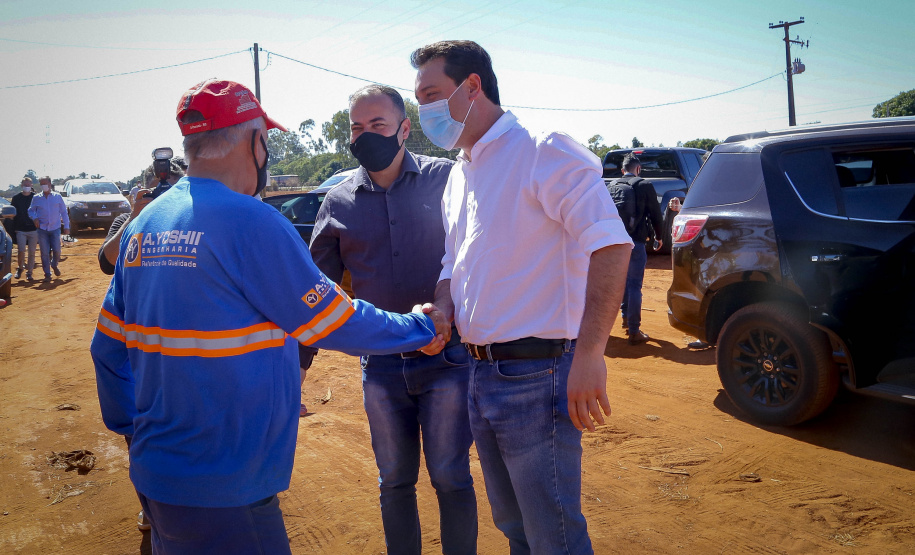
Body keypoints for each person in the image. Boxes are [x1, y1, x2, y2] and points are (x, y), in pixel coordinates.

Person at [90, 78, 448, 554]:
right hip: (229, 483)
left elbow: (107, 349)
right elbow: (333, 320)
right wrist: (421, 326)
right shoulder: (253, 222)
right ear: (256, 142)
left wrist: (137, 435)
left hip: (159, 477)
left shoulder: (145, 226)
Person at [411, 41, 633, 554]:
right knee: (514, 528)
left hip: (539, 375)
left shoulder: (541, 149)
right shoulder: (460, 175)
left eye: (431, 94)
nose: (422, 110)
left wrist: (591, 355)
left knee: (552, 535)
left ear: (473, 87)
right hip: (479, 373)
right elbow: (453, 263)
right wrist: (444, 308)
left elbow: (611, 245)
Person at [310, 84, 477, 555]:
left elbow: (481, 250)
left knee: (450, 476)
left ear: (405, 129)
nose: (365, 136)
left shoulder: (449, 180)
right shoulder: (337, 203)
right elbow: (312, 292)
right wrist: (294, 364)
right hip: (381, 367)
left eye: (377, 125)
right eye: (356, 128)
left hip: (448, 359)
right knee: (395, 480)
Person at [98, 158, 184, 275]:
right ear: (144, 191)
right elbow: (107, 264)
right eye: (157, 191)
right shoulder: (126, 220)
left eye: (171, 192)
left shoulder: (189, 221)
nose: (164, 197)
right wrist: (134, 218)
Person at [612, 153, 664, 345]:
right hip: (636, 241)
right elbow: (656, 215)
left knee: (623, 281)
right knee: (634, 284)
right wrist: (659, 237)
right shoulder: (644, 185)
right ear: (638, 169)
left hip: (615, 242)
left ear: (622, 170)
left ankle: (625, 318)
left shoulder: (612, 186)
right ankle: (634, 331)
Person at [27, 176, 69, 282]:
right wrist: (34, 218)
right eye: (41, 184)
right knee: (44, 252)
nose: (43, 186)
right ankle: (47, 274)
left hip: (55, 228)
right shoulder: (36, 198)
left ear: (50, 184)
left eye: (45, 183)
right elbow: (31, 210)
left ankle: (54, 264)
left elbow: (64, 212)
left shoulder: (57, 197)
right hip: (42, 229)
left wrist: (67, 227)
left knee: (57, 250)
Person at [11, 178, 38, 281]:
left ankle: (29, 272)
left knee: (32, 252)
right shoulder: (16, 198)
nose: (27, 186)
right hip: (20, 229)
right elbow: (12, 213)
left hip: (33, 229)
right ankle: (20, 267)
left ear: (31, 185)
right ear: (21, 185)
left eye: (28, 184)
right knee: (21, 250)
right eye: (25, 184)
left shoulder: (36, 198)